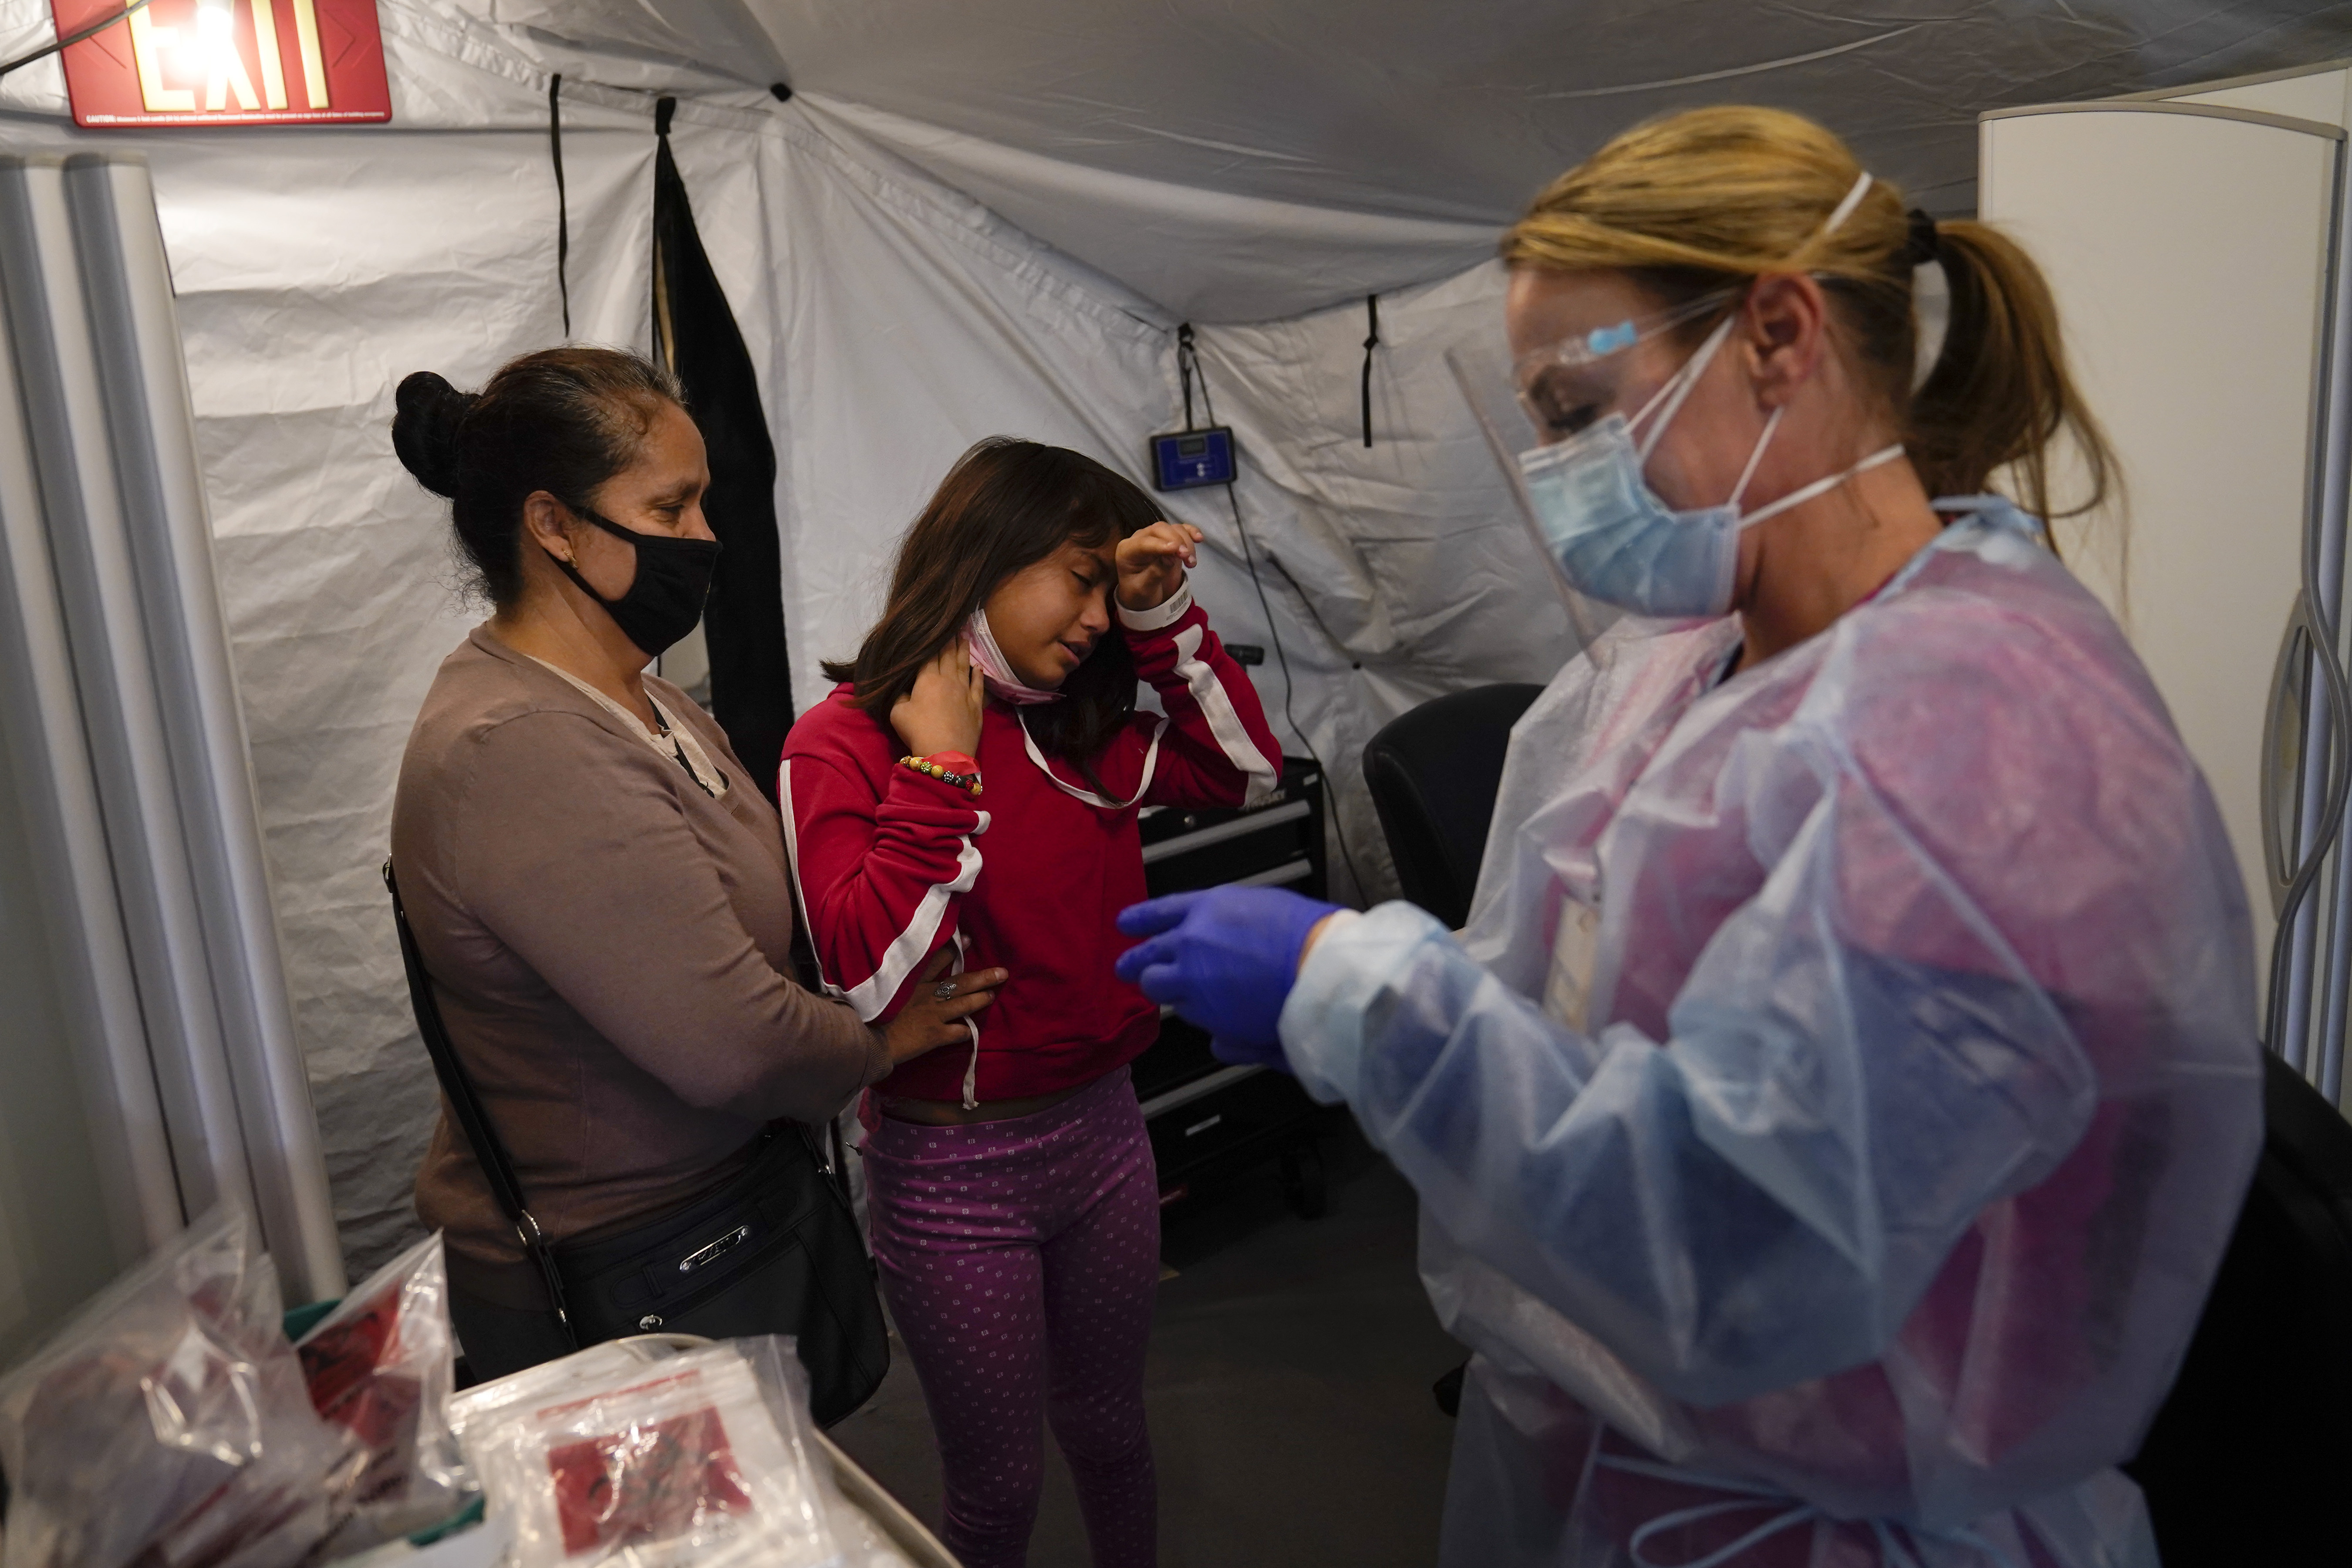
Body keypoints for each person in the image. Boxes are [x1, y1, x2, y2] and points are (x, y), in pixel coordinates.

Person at [1117, 107, 2261, 1568]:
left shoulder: (1975, 740)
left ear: (1779, 336)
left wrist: (1359, 996)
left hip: (1849, 1515)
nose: (1549, 473)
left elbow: (1746, 1245)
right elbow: (1560, 989)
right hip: (1623, 1441)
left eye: (1578, 414)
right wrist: (1358, 1004)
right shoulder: (1694, 656)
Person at [388, 347, 999, 1379]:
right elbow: (735, 1046)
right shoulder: (521, 744)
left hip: (704, 1234)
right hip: (627, 1290)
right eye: (671, 510)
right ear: (552, 525)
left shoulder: (645, 698)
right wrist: (873, 1046)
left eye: (703, 503)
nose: (706, 538)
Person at [780, 438, 1280, 1568]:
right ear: (983, 559)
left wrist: (1164, 627)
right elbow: (858, 978)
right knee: (996, 1493)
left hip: (1103, 1135)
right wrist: (943, 770)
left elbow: (1244, 768)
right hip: (957, 1180)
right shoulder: (848, 739)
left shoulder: (1077, 724)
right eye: (1081, 576)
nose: (1100, 614)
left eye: (1111, 587)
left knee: (1112, 1433)